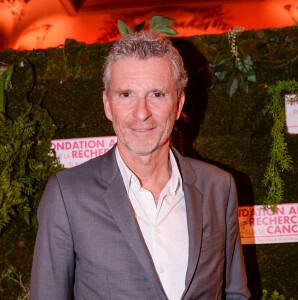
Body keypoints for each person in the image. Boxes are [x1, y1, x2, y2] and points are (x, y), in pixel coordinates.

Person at [30, 30, 250, 300]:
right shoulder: (67, 195)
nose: (142, 112)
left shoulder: (218, 186)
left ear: (178, 104)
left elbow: (235, 293)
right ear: (107, 104)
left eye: (157, 94)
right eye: (126, 95)